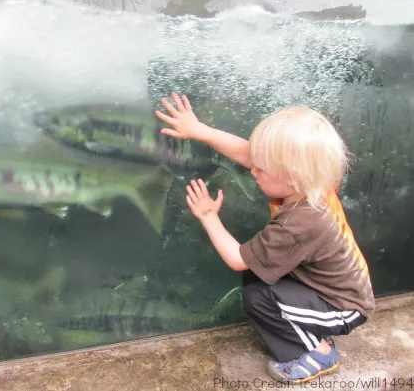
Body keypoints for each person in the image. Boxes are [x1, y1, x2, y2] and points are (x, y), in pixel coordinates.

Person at [155, 92, 375, 385]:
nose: (253, 169)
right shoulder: (316, 182)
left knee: (259, 298)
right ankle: (309, 328)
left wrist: (208, 215)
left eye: (262, 168)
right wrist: (199, 130)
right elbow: (248, 154)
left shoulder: (300, 222)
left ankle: (319, 352)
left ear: (294, 178)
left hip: (344, 306)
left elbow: (236, 259)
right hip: (326, 286)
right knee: (257, 280)